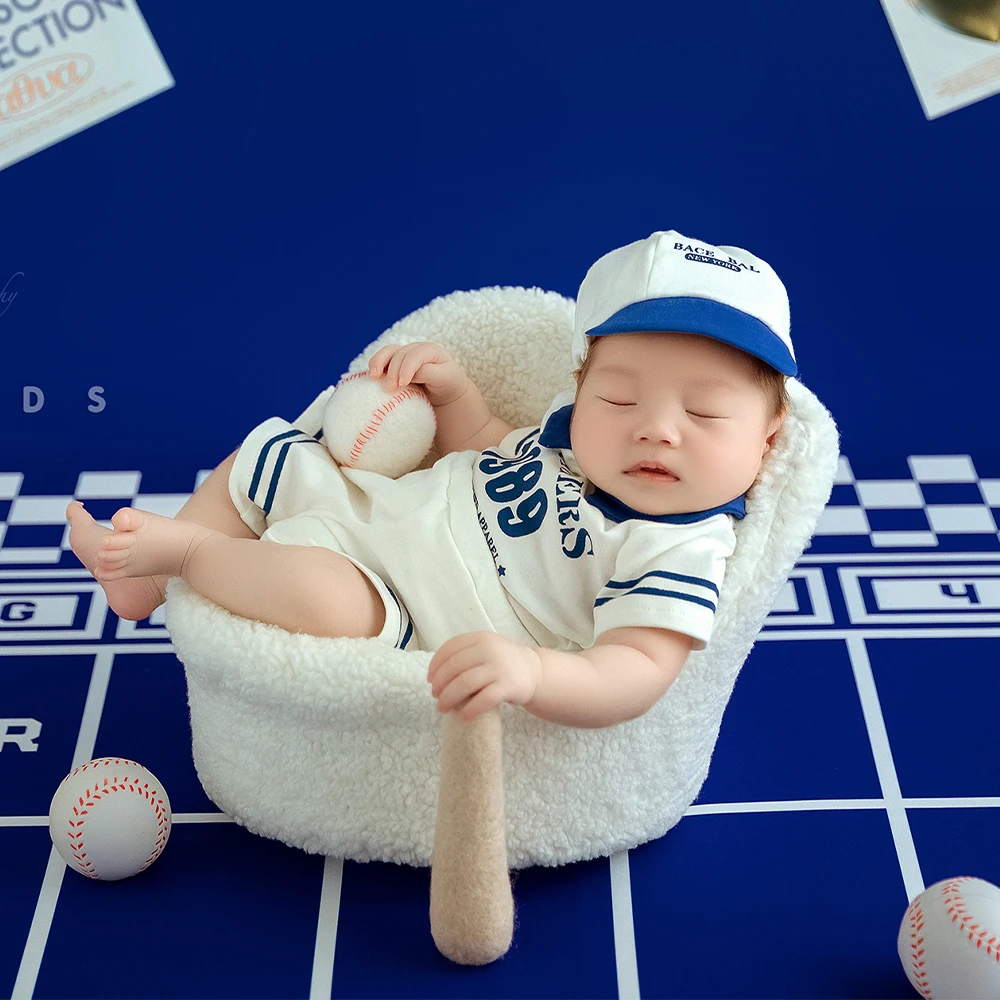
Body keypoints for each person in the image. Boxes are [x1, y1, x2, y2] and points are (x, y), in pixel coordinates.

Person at [66, 230, 794, 730]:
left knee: (323, 596)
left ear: (766, 442)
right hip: (369, 507)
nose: (657, 428)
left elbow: (635, 669)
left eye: (703, 412)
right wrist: (454, 398)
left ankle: (186, 557)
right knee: (272, 457)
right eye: (620, 398)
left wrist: (533, 674)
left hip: (397, 602)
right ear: (580, 391)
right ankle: (142, 584)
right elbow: (483, 451)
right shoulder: (562, 443)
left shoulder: (678, 548)